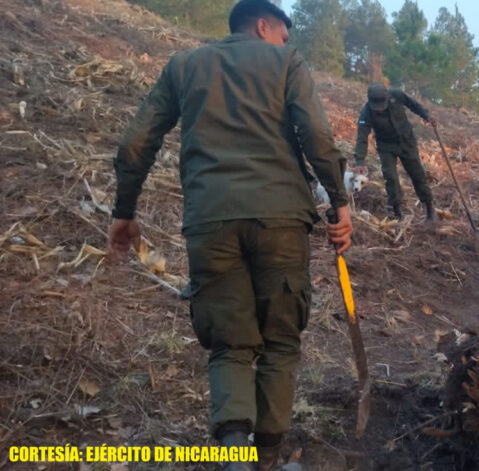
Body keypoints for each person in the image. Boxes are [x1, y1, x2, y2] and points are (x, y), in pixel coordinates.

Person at [107, 1, 353, 469]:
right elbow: (317, 137)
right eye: (282, 33)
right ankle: (268, 459)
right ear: (262, 26)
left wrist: (124, 211)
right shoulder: (287, 62)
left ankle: (235, 458)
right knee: (280, 341)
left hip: (211, 223)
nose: (285, 42)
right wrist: (339, 201)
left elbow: (136, 142)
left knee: (230, 346)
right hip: (281, 220)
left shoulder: (184, 66)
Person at [352, 83, 438, 221]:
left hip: (407, 142)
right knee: (390, 177)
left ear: (387, 96)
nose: (380, 109)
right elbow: (362, 138)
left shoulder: (397, 95)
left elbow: (414, 105)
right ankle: (396, 211)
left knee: (417, 174)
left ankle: (429, 207)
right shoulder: (366, 113)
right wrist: (359, 161)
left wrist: (426, 115)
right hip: (386, 147)